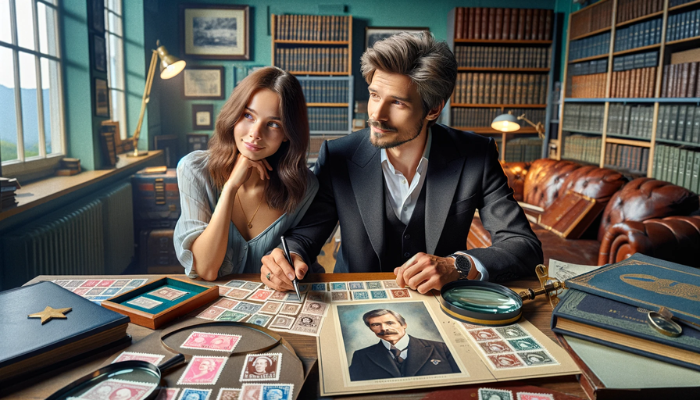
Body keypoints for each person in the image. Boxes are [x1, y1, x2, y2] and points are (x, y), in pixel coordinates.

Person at [261, 32, 542, 292]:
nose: (377, 115)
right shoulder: (338, 156)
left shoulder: (476, 155)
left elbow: (523, 246)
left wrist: (457, 265)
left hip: (443, 304)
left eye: (397, 103)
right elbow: (306, 236)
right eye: (374, 95)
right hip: (356, 300)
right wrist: (289, 257)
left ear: (433, 109)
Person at [174, 67, 319, 281]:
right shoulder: (194, 170)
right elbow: (206, 269)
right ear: (234, 115)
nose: (255, 134)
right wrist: (231, 186)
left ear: (288, 134)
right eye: (248, 115)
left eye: (273, 124)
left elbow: (296, 256)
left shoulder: (304, 186)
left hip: (277, 303)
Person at [348, 309, 459, 381]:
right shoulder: (361, 355)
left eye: (390, 323)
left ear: (404, 324)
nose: (384, 329)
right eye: (376, 325)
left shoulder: (441, 348)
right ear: (371, 329)